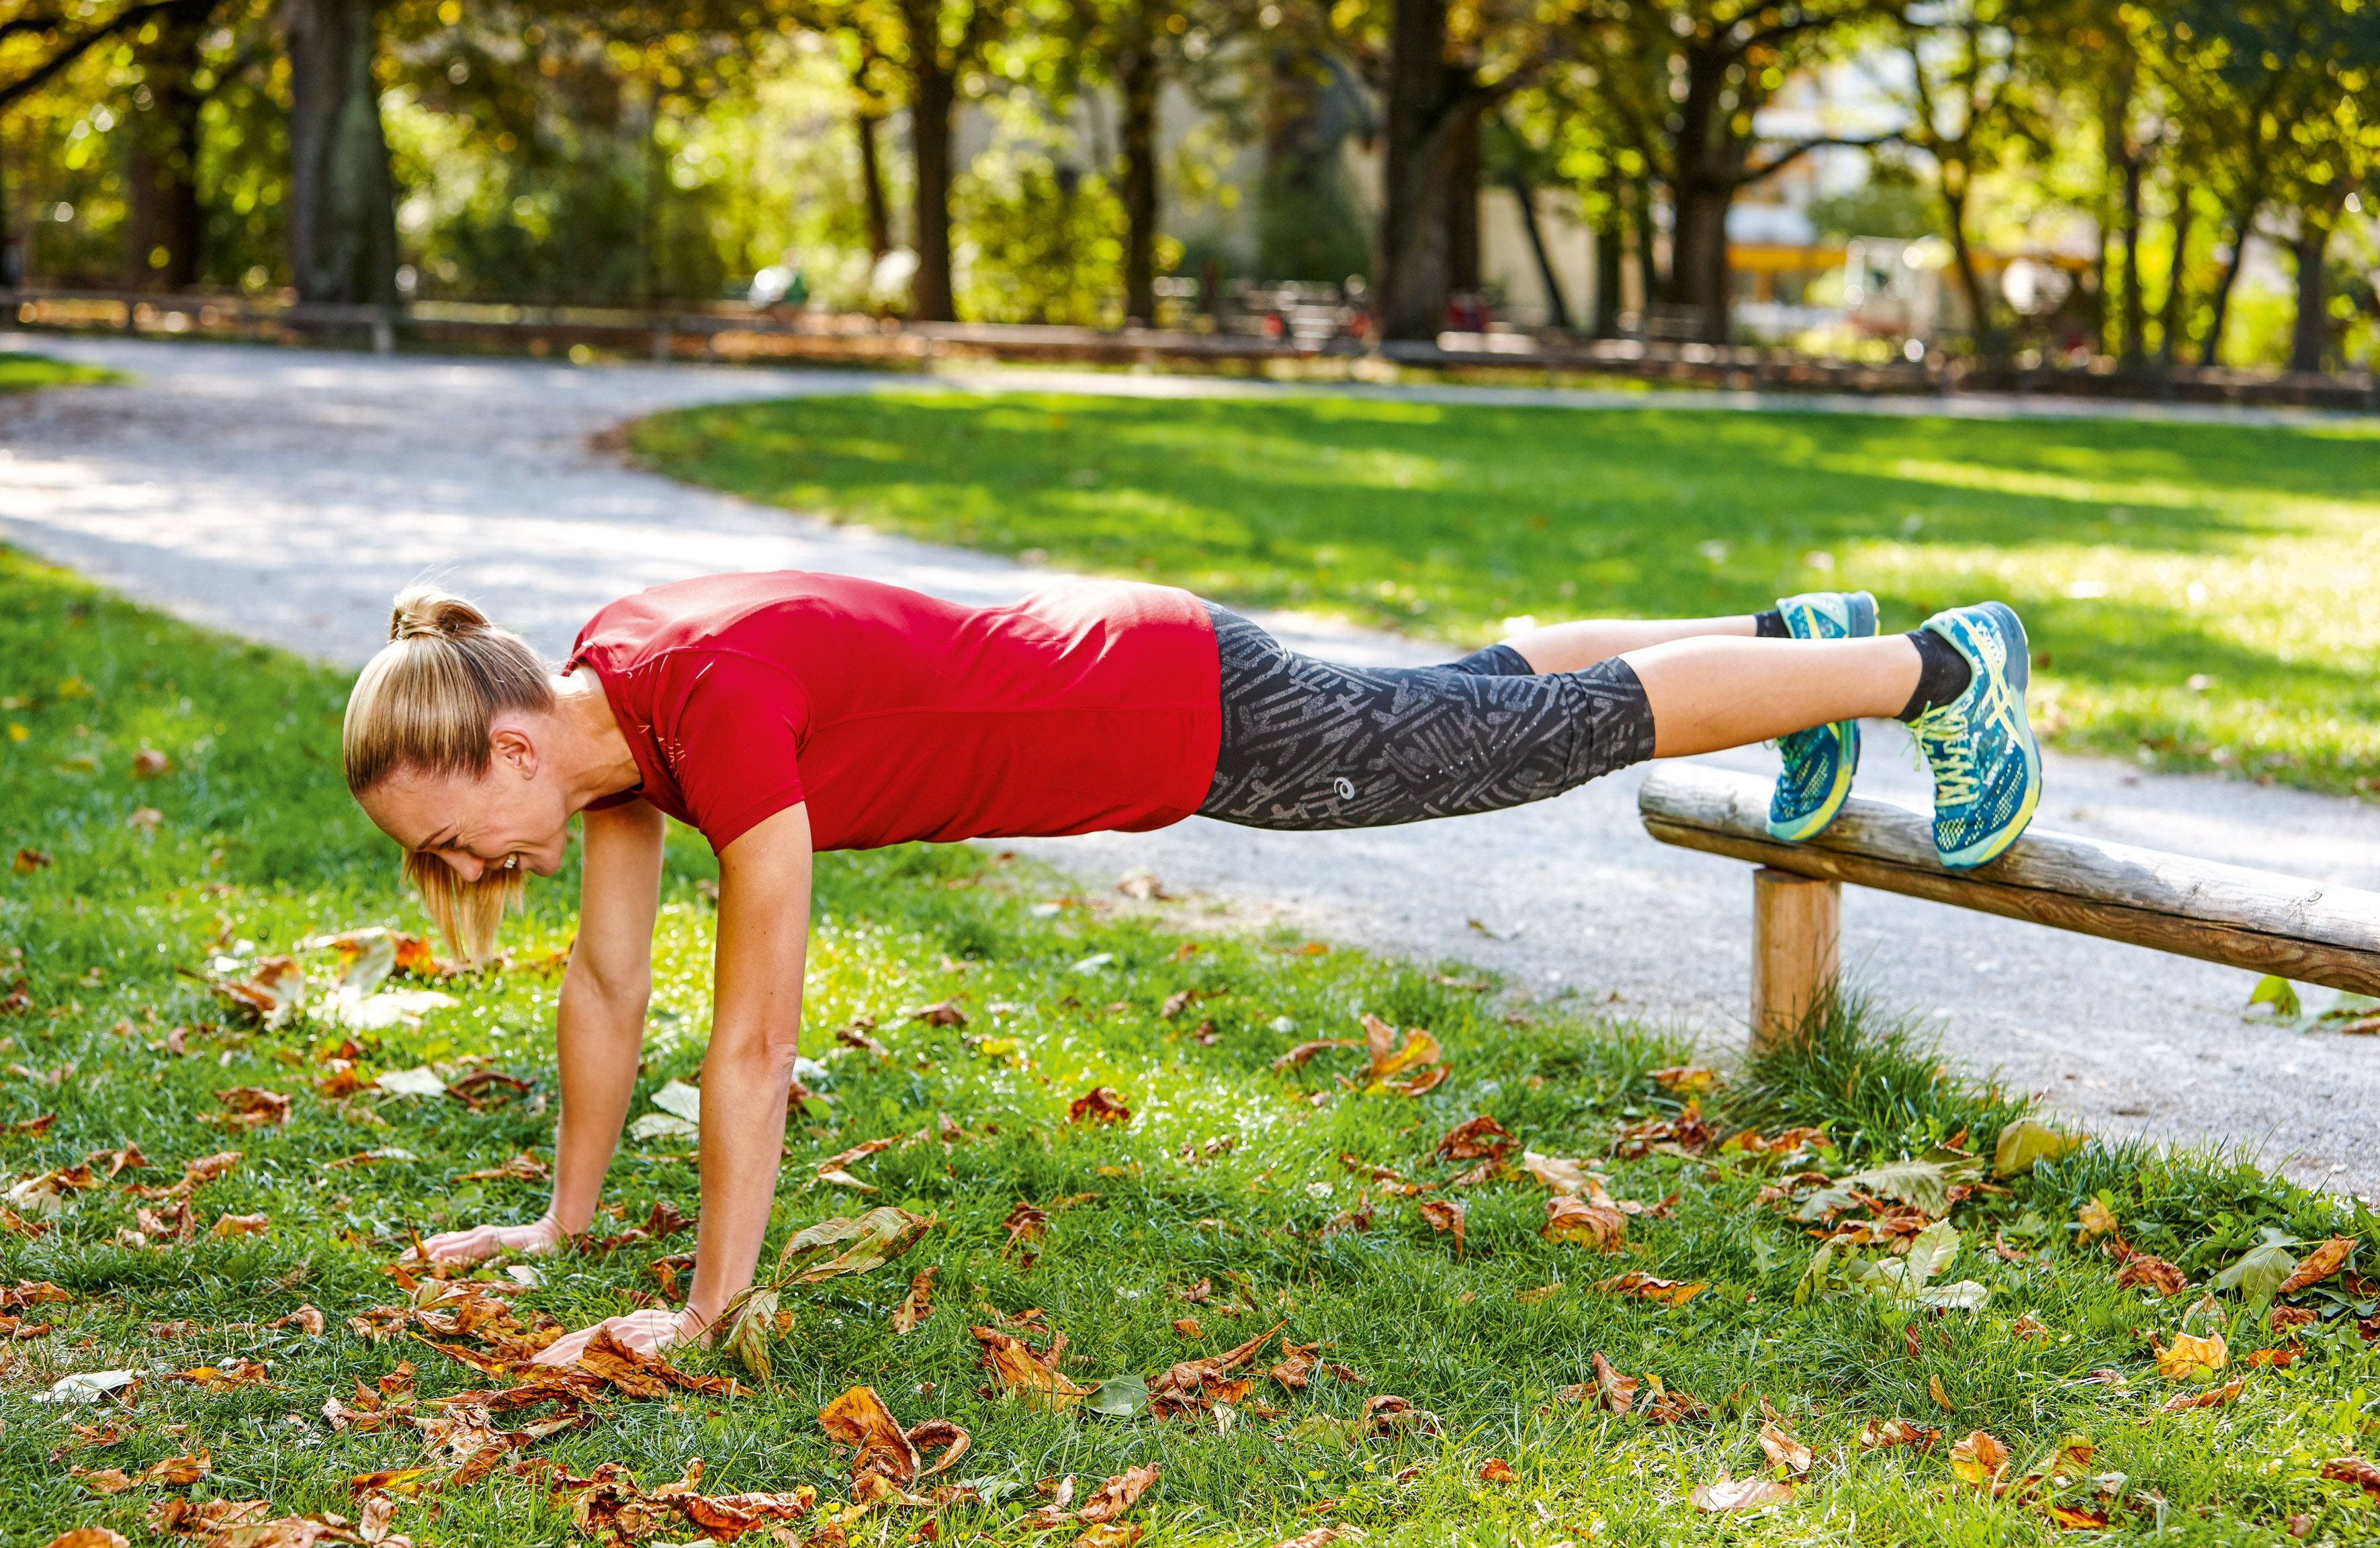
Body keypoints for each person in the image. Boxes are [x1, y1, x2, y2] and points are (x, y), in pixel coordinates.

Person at [342, 572, 2040, 1365]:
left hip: (1172, 713)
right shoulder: (608, 708)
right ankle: (1794, 649)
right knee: (1464, 684)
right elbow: (606, 989)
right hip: (1136, 662)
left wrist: (711, 1305)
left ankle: (1935, 672)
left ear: (502, 745)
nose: (461, 871)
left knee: (1522, 735)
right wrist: (564, 1227)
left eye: (452, 834)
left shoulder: (702, 708)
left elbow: (756, 1036)